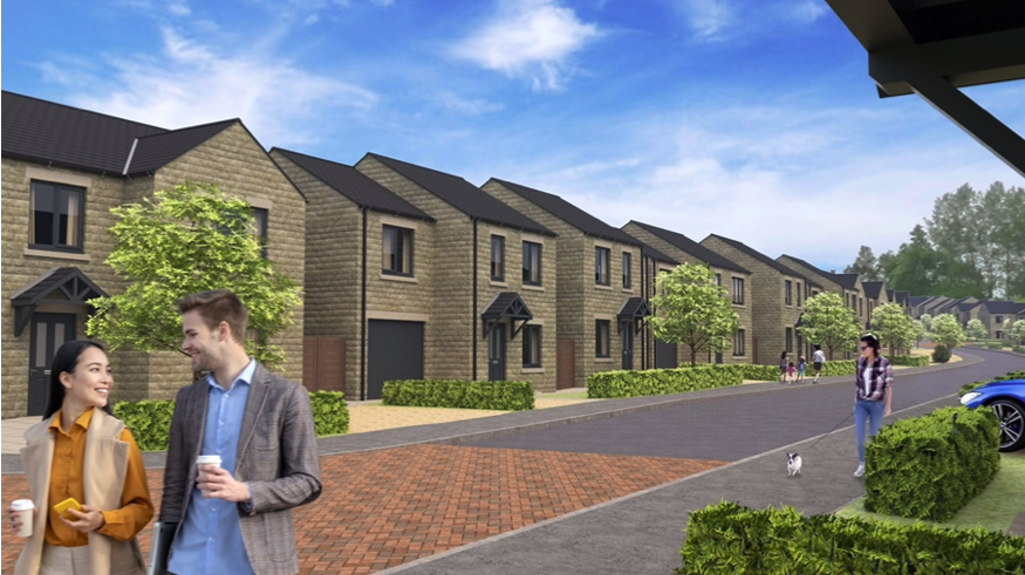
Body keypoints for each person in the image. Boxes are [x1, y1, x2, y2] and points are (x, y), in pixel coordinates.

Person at [159, 289, 321, 575]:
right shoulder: (187, 399)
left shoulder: (286, 396)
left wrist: (245, 491)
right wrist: (161, 562)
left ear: (222, 331)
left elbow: (307, 481)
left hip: (253, 565)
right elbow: (173, 488)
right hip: (186, 564)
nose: (185, 345)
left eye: (192, 334)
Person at [8, 340, 154, 575]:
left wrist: (102, 520)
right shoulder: (37, 439)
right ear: (66, 379)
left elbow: (142, 509)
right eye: (95, 369)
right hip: (48, 563)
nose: (106, 379)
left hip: (104, 561)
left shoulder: (118, 437)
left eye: (108, 370)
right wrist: (32, 518)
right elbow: (45, 504)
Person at [852, 333, 894, 478]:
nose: (861, 350)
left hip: (877, 404)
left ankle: (874, 464)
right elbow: (858, 384)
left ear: (872, 347)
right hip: (861, 403)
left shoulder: (884, 363)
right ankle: (862, 463)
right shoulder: (859, 362)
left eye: (864, 347)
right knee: (859, 435)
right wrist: (855, 402)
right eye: (860, 347)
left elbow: (888, 386)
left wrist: (888, 406)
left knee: (873, 435)